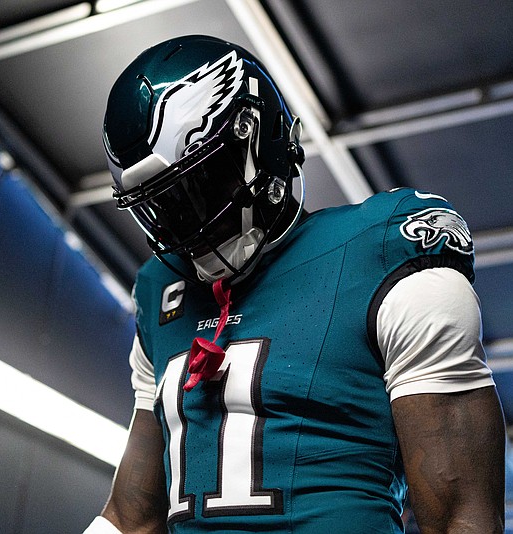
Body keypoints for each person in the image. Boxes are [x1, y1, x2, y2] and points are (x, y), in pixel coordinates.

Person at [84, 35, 505, 533]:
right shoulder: (161, 293)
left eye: (198, 189)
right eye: (162, 207)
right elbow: (133, 519)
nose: (185, 230)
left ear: (256, 139)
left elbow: (462, 518)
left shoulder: (383, 252)